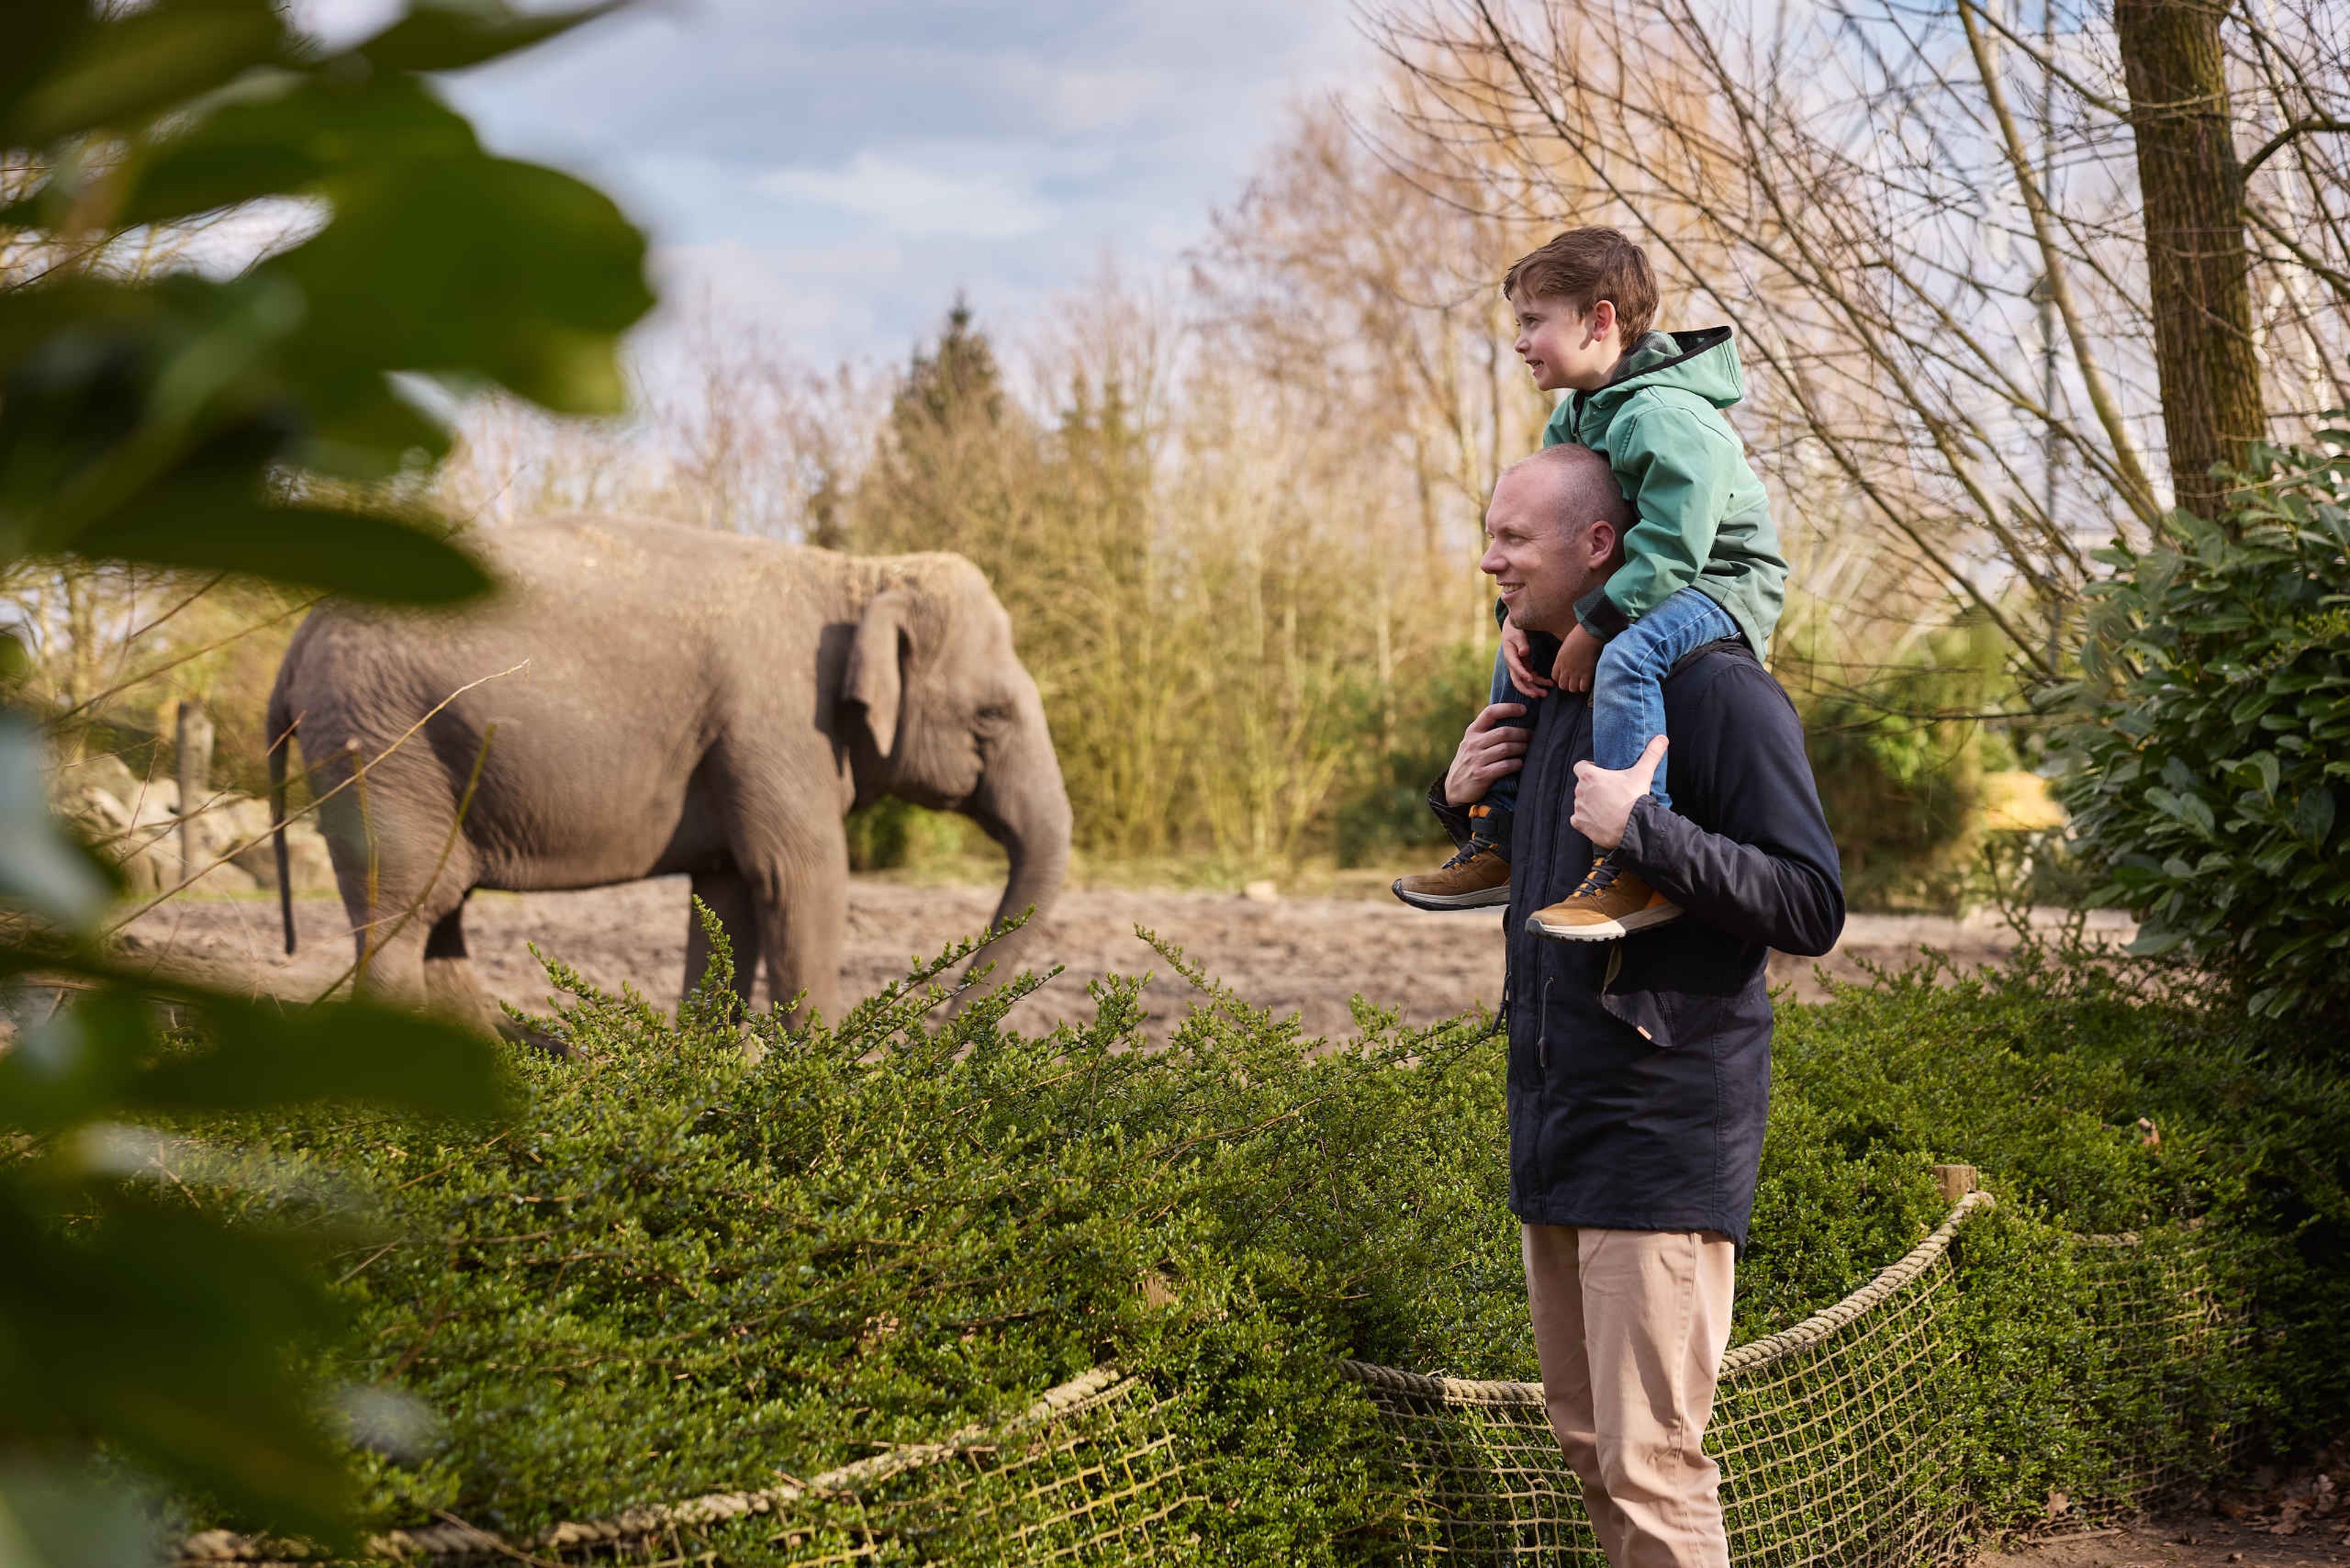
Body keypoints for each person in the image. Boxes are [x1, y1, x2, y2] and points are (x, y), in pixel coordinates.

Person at [1433, 443, 1843, 1567]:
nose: (1489, 561)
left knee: (1651, 1463)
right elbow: (1562, 880)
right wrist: (1462, 795)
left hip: (1661, 1127)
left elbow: (1810, 903)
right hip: (1558, 1121)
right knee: (1587, 1443)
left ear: (1600, 546)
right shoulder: (1556, 682)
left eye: (1513, 539)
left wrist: (1646, 829)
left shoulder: (1715, 684)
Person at [1393, 228, 1789, 940]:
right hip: (1661, 577)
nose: (1520, 342)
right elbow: (1563, 530)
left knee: (1630, 656)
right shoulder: (1577, 413)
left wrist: (1597, 627)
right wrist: (1517, 620)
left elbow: (1676, 546)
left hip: (1723, 580)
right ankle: (1498, 837)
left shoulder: (1664, 415)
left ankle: (1636, 861)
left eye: (1533, 321)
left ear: (1600, 320)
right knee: (1519, 647)